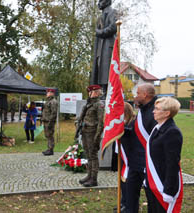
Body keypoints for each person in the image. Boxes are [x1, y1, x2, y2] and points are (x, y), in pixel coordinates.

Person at [145, 97, 183, 213]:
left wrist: (168, 190)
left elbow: (172, 163)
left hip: (162, 183)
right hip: (153, 182)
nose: (153, 111)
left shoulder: (172, 132)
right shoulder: (157, 129)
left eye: (157, 109)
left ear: (167, 113)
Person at [124, 83, 157, 213]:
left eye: (137, 93)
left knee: (151, 197)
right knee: (131, 194)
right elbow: (137, 130)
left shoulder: (155, 111)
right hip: (135, 161)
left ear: (145, 95)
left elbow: (155, 137)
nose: (135, 96)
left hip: (148, 163)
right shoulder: (143, 109)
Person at [77, 85, 104, 187]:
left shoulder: (98, 105)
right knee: (88, 155)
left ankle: (94, 178)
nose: (89, 94)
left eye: (91, 92)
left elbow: (101, 123)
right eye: (89, 92)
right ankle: (89, 175)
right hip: (85, 132)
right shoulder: (89, 104)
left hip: (92, 133)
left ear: (96, 92)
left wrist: (97, 137)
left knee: (93, 156)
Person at [90, 0, 117, 96]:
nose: (99, 3)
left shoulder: (112, 12)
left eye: (101, 1)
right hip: (100, 47)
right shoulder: (100, 16)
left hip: (107, 46)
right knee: (99, 68)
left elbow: (113, 27)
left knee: (106, 69)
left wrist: (100, 32)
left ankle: (105, 92)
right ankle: (99, 91)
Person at [41, 88, 58, 156]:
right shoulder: (48, 101)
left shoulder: (53, 101)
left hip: (49, 121)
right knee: (47, 135)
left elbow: (54, 113)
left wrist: (51, 123)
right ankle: (49, 148)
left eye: (48, 92)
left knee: (50, 135)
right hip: (46, 121)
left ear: (51, 93)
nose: (46, 94)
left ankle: (50, 149)